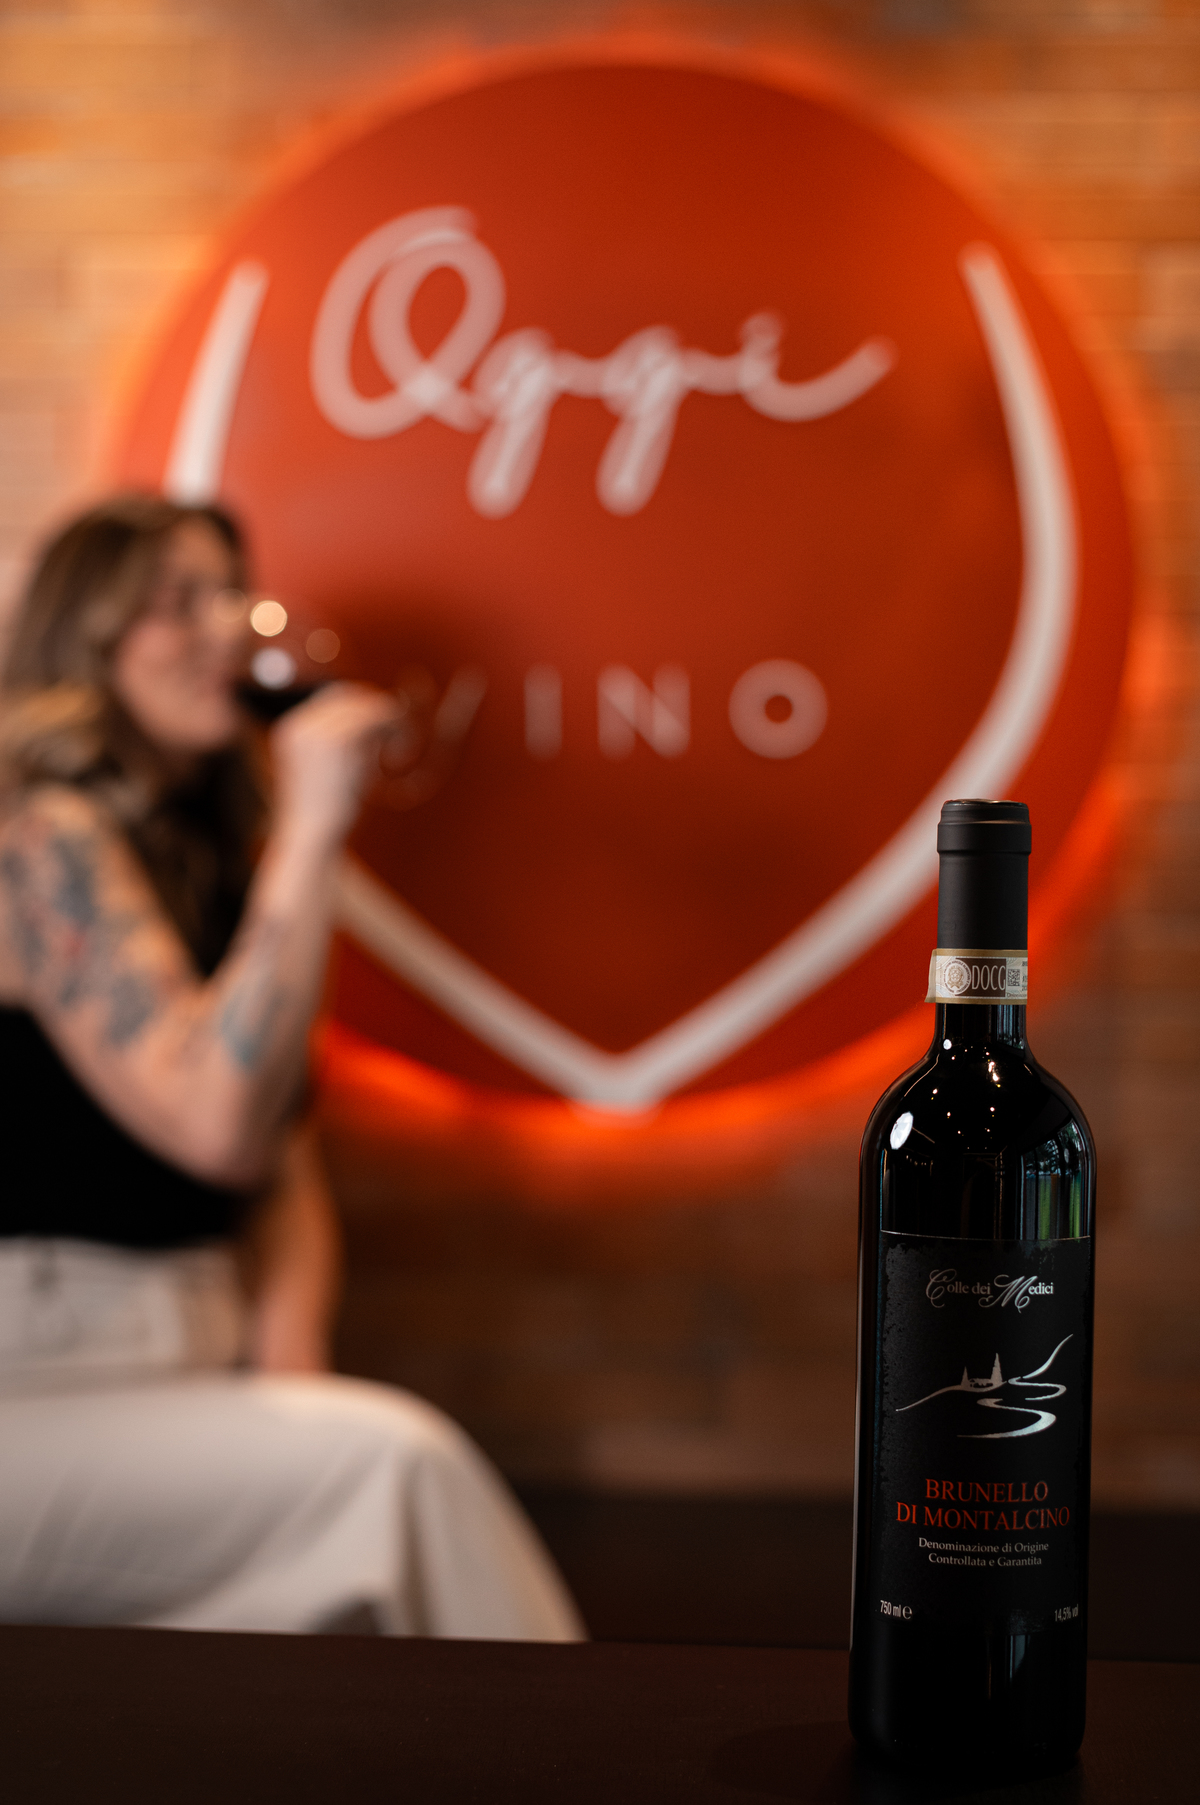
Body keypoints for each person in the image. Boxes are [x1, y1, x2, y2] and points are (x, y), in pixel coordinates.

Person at [0, 494, 582, 1639]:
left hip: (189, 1354)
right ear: (87, 636)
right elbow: (215, 1123)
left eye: (231, 593)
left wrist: (289, 1366)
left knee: (348, 1533)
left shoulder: (202, 854)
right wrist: (314, 826)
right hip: (43, 1375)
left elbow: (279, 1153)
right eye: (177, 603)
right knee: (396, 1470)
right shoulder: (38, 838)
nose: (227, 626)